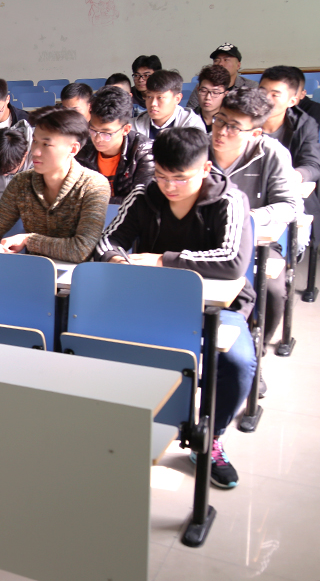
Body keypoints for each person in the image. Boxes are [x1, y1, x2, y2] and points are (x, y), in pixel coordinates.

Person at [96, 126, 256, 489]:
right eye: (162, 176)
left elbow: (232, 261)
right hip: (153, 301)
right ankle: (122, 427)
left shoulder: (229, 200)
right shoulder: (144, 194)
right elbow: (108, 240)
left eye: (180, 178)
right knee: (103, 343)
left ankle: (210, 436)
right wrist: (118, 260)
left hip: (217, 307)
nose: (169, 187)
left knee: (237, 363)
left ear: (205, 168)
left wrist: (162, 260)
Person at [209, 87, 299, 344]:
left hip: (255, 241)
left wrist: (245, 218)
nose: (221, 131)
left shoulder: (272, 153)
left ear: (255, 133)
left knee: (272, 289)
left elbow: (289, 206)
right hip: (203, 237)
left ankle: (256, 346)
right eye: (220, 120)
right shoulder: (198, 147)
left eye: (234, 127)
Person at [0, 108, 110, 263]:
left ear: (73, 149)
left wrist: (28, 240)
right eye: (35, 141)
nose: (36, 151)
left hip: (77, 275)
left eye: (46, 144)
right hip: (33, 271)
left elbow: (82, 249)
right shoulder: (22, 182)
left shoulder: (94, 185)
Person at [76, 86, 153, 203]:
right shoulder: (83, 147)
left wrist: (94, 201)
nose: (98, 139)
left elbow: (141, 200)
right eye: (93, 130)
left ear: (126, 129)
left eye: (106, 133)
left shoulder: (144, 151)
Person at [259, 65, 320, 186]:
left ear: (292, 101)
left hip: (287, 186)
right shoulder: (242, 119)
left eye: (275, 95)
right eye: (262, 92)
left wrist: (296, 175)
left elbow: (312, 164)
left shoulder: (304, 124)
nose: (265, 99)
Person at [133, 70, 205, 139]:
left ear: (177, 99)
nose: (153, 103)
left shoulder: (192, 125)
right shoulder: (134, 125)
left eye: (160, 97)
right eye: (149, 97)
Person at [185, 43, 258, 109]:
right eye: (216, 60)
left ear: (238, 65)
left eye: (226, 60)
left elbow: (254, 113)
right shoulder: (203, 87)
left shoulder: (250, 86)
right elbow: (190, 111)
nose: (220, 64)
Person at [193, 64, 232, 131]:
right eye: (204, 91)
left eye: (215, 92)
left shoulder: (231, 122)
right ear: (198, 89)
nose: (208, 97)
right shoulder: (187, 119)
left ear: (225, 94)